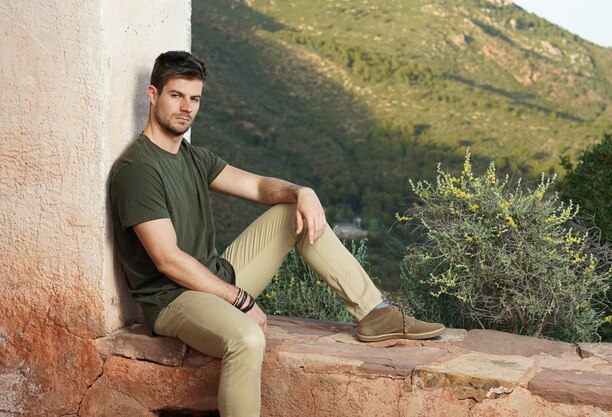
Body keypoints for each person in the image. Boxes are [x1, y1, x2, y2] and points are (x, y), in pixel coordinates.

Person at [109, 50, 445, 417]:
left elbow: (257, 187)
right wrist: (239, 300)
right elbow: (167, 260)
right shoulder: (138, 169)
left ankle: (375, 312)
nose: (187, 107)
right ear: (153, 94)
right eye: (176, 95)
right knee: (247, 338)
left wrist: (301, 192)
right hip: (173, 300)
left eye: (195, 98)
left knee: (290, 211)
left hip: (216, 277)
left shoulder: (192, 157)